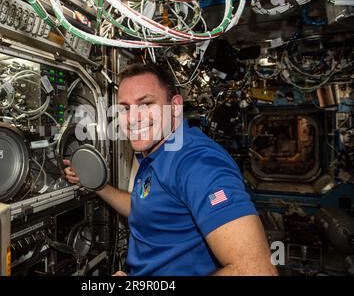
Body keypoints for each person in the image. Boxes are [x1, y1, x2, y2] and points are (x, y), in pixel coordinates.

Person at [64, 63, 278, 276]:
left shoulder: (197, 163)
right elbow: (147, 207)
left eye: (146, 104)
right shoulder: (156, 151)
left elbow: (257, 270)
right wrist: (97, 186)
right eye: (124, 108)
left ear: (175, 106)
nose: (132, 118)